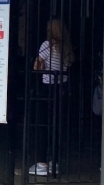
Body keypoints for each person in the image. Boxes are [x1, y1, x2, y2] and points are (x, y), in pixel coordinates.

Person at [30, 19, 75, 176]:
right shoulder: (67, 47)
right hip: (61, 88)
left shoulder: (46, 45)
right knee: (56, 125)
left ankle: (41, 163)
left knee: (43, 125)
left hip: (47, 87)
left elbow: (36, 66)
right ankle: (53, 163)